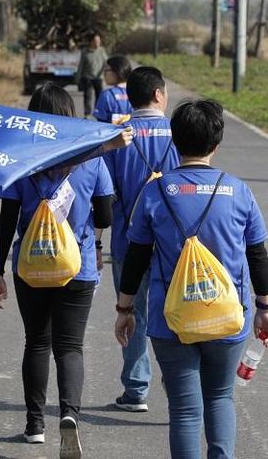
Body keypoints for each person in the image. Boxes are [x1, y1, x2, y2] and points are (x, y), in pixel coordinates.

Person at [114, 99, 268, 459]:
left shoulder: (155, 192)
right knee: (220, 397)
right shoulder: (238, 191)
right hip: (226, 317)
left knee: (185, 411)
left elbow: (136, 256)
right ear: (216, 144)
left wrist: (124, 308)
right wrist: (264, 308)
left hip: (170, 319)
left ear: (174, 141)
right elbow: (257, 255)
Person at [0, 83, 115, 459]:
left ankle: (34, 425)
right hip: (77, 265)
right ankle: (70, 416)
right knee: (70, 346)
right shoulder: (90, 157)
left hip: (30, 266)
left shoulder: (23, 157)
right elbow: (107, 215)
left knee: (37, 342)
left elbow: (7, 220)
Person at [103, 66, 179, 413]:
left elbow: (104, 194)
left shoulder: (117, 137)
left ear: (128, 98)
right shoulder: (180, 134)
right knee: (174, 312)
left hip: (127, 240)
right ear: (159, 95)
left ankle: (136, 388)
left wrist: (97, 237)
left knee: (131, 310)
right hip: (173, 243)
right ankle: (180, 388)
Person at [92, 55, 133, 124]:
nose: (104, 74)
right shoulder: (137, 93)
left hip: (112, 133)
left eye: (106, 70)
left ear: (116, 71)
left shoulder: (107, 95)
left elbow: (101, 122)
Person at [76, 34, 107, 117]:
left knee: (99, 96)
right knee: (88, 96)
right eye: (96, 41)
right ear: (91, 42)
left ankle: (97, 113)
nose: (98, 43)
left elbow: (105, 63)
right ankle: (87, 113)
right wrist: (78, 78)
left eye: (99, 41)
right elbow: (81, 65)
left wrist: (105, 74)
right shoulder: (85, 51)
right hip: (87, 77)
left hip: (98, 77)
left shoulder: (102, 50)